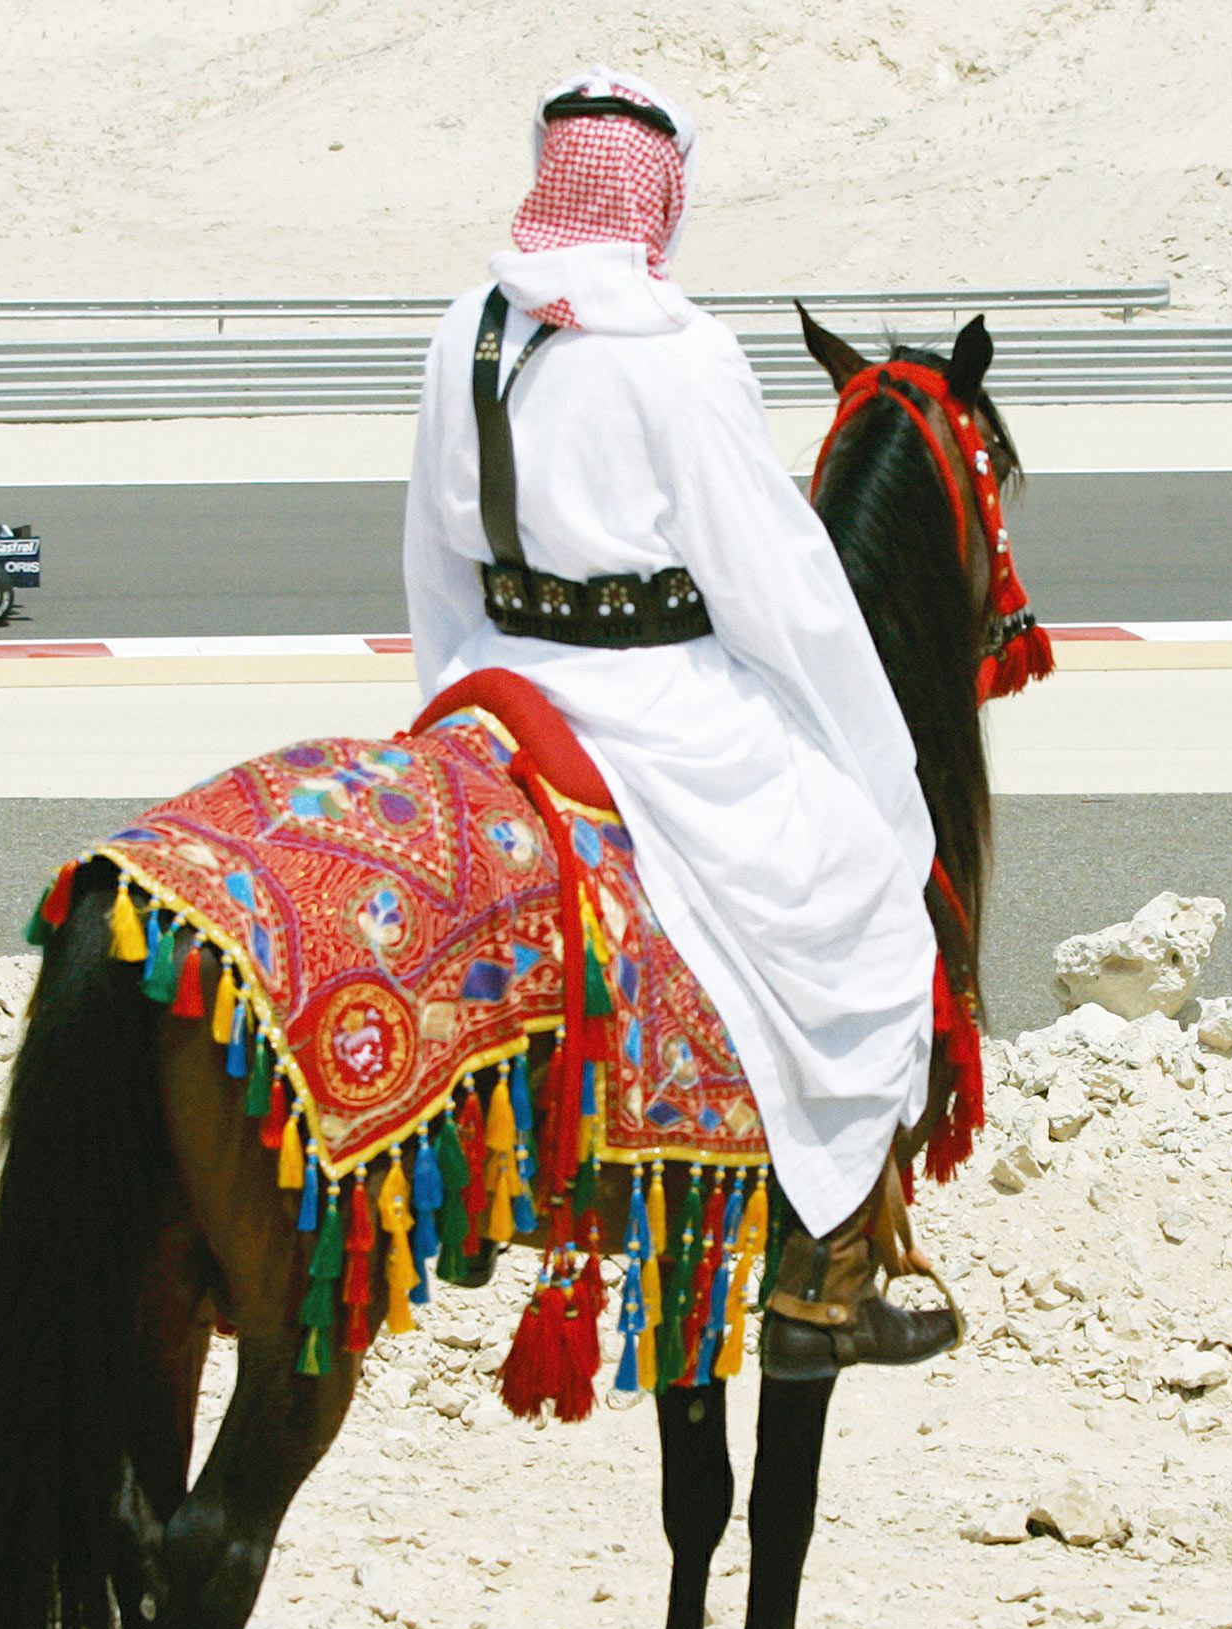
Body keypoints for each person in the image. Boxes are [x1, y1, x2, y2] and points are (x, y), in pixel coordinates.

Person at [399, 67, 955, 1375]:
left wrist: (446, 697)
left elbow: (431, 553)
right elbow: (773, 584)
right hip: (653, 699)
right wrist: (878, 768)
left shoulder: (463, 328)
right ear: (657, 197)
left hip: (493, 680)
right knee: (867, 902)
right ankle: (828, 1268)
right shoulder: (682, 349)